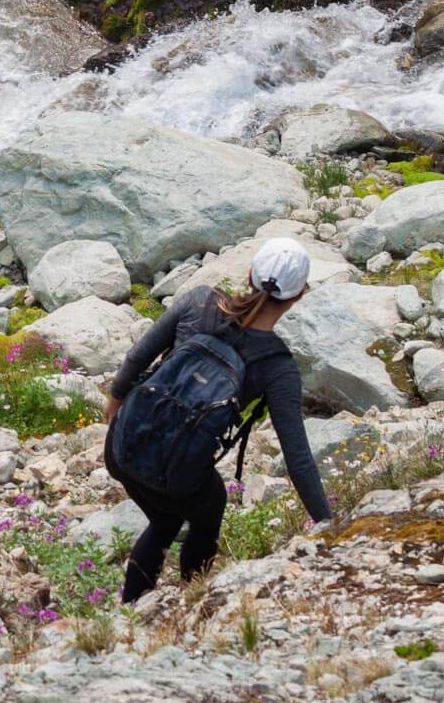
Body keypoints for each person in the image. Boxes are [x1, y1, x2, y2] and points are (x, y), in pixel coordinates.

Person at [103, 238, 333, 604]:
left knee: (163, 522)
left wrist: (116, 404)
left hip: (122, 447)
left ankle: (130, 609)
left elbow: (138, 357)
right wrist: (327, 525)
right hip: (178, 477)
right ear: (299, 294)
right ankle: (193, 599)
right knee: (207, 508)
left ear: (250, 275)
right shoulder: (278, 366)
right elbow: (298, 458)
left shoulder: (199, 300)